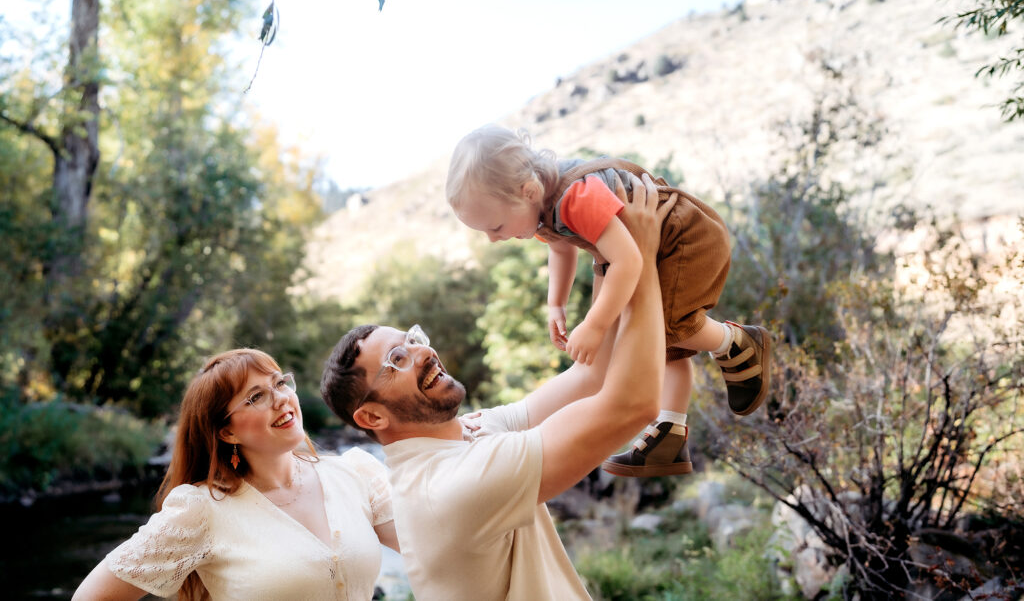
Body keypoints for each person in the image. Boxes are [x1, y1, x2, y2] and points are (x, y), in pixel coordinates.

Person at [321, 173, 671, 600]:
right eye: (397, 360)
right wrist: (642, 257)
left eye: (411, 340)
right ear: (372, 416)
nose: (422, 352)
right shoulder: (452, 486)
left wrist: (606, 252)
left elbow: (589, 378)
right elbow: (632, 405)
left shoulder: (468, 432)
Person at [444, 124, 772, 477]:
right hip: (652, 245)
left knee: (669, 329)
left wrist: (596, 324)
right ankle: (669, 435)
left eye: (495, 227)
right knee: (655, 342)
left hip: (684, 237)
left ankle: (736, 342)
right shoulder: (540, 206)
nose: (494, 240)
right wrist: (557, 303)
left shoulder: (575, 198)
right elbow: (560, 246)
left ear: (527, 191)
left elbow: (628, 261)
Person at [73, 348, 398, 601]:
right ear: (227, 432)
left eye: (280, 383)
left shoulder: (356, 473)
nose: (281, 399)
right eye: (257, 397)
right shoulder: (201, 510)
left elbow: (431, 548)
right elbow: (93, 595)